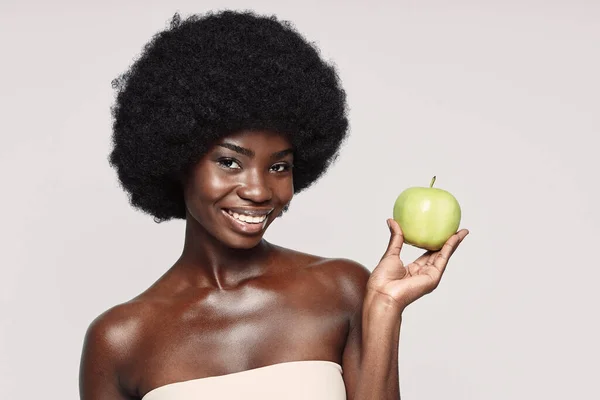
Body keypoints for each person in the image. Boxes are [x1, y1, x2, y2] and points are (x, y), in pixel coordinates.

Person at [79, 10, 469, 400]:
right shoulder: (119, 340)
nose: (259, 190)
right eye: (230, 162)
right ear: (178, 160)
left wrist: (385, 308)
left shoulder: (340, 288)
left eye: (279, 166)